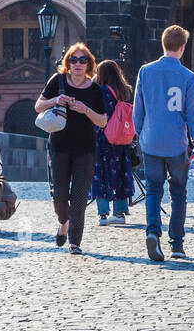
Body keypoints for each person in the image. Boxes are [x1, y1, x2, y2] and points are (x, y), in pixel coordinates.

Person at [134, 24, 194, 261]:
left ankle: (153, 231)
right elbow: (193, 115)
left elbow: (138, 109)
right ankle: (177, 243)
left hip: (151, 140)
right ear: (183, 47)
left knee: (153, 189)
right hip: (176, 142)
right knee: (178, 193)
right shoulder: (188, 77)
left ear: (163, 44)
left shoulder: (145, 71)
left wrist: (141, 134)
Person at [34, 42, 108, 255]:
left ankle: (74, 242)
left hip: (85, 149)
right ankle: (63, 222)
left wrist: (85, 110)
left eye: (82, 60)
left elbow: (102, 121)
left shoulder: (94, 89)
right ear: (67, 63)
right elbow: (38, 106)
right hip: (59, 147)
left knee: (79, 197)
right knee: (59, 195)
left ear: (88, 64)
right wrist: (56, 99)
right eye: (73, 60)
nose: (77, 64)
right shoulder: (57, 81)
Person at [92, 59, 134, 226]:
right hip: (120, 139)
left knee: (100, 174)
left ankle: (103, 214)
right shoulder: (124, 91)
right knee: (120, 173)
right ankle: (119, 212)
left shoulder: (100, 91)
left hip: (102, 139)